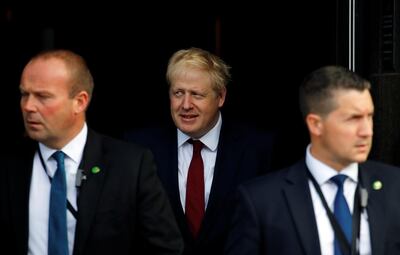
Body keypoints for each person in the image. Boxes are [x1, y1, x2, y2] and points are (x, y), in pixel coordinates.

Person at [0, 49, 183, 255]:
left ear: (80, 101)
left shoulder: (130, 164)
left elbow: (166, 248)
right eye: (25, 94)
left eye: (43, 97)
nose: (28, 106)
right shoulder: (7, 164)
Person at [225, 65, 400, 255]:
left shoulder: (395, 186)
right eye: (353, 118)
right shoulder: (260, 201)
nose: (367, 131)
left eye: (370, 117)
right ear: (316, 124)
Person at [125, 47, 274, 255]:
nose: (186, 105)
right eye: (178, 93)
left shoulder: (257, 150)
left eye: (196, 94)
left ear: (220, 97)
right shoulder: (139, 148)